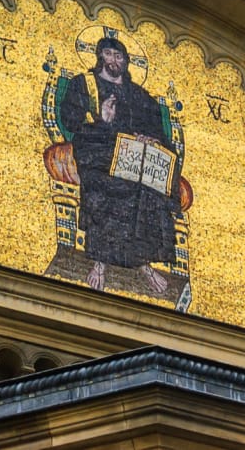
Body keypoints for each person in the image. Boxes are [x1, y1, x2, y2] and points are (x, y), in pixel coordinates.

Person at [55, 36, 177, 295]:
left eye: (119, 56)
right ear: (100, 56)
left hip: (132, 155)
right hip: (97, 149)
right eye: (109, 54)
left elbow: (156, 127)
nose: (114, 61)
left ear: (126, 61)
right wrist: (99, 117)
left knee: (151, 189)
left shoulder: (139, 95)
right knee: (108, 184)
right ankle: (99, 262)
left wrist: (150, 138)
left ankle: (143, 263)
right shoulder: (84, 84)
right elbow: (70, 119)